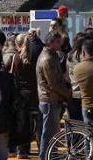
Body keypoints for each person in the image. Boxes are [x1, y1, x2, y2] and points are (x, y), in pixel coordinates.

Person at [36, 31, 71, 160]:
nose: (60, 44)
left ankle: (50, 155)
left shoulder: (52, 55)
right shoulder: (48, 58)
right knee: (49, 133)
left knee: (53, 132)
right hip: (49, 99)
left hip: (52, 98)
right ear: (50, 43)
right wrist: (67, 94)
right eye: (57, 42)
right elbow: (54, 83)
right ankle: (44, 157)